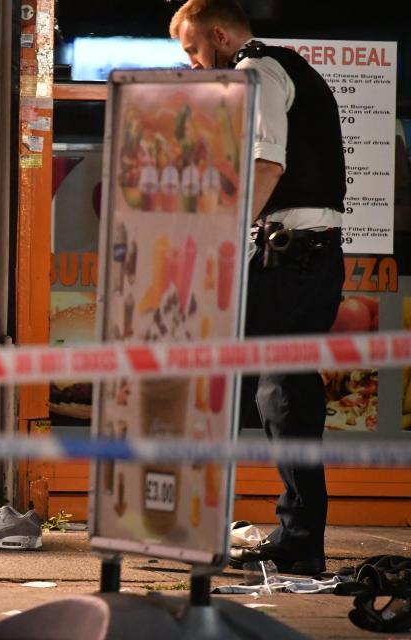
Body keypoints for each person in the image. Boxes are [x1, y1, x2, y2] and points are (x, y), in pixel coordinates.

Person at [171, 0, 346, 575]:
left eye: (195, 52)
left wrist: (219, 230)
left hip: (289, 256)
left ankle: (207, 524)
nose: (196, 68)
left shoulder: (256, 70)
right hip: (308, 255)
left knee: (237, 381)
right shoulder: (287, 66)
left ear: (220, 35)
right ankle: (297, 536)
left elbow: (268, 165)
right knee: (282, 392)